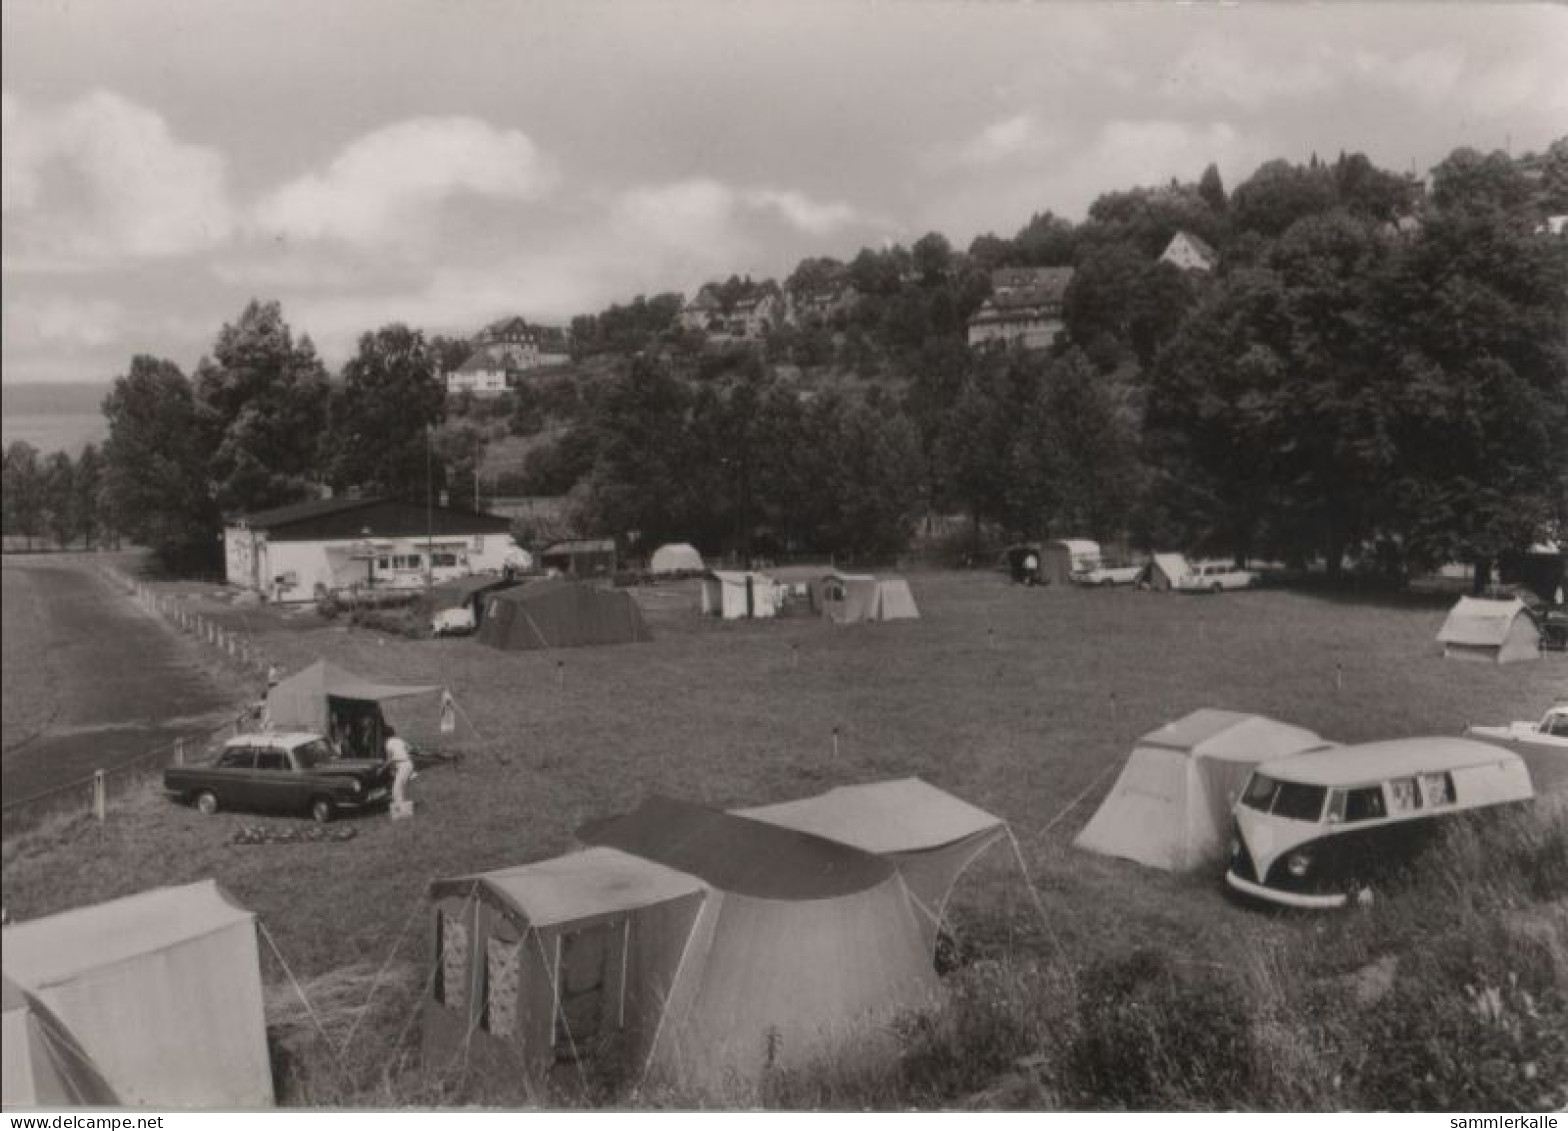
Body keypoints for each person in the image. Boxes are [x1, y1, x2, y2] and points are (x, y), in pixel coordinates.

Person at [385, 727, 414, 807]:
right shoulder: (399, 740)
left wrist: (383, 767)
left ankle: (400, 808)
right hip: (408, 763)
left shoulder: (388, 743)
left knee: (396, 789)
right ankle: (401, 805)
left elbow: (389, 759)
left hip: (403, 765)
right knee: (400, 787)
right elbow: (410, 748)